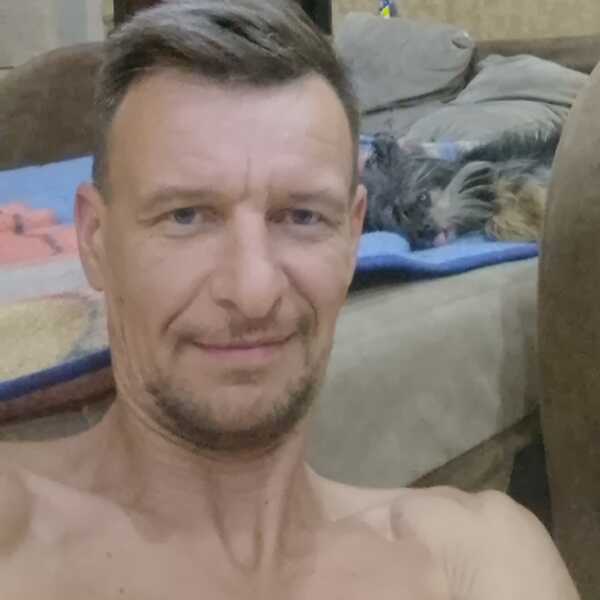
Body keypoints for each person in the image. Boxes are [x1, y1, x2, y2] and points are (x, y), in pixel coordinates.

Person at [0, 1, 579, 598]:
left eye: (301, 217)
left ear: (353, 236)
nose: (254, 293)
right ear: (95, 241)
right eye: (186, 216)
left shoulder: (473, 554)